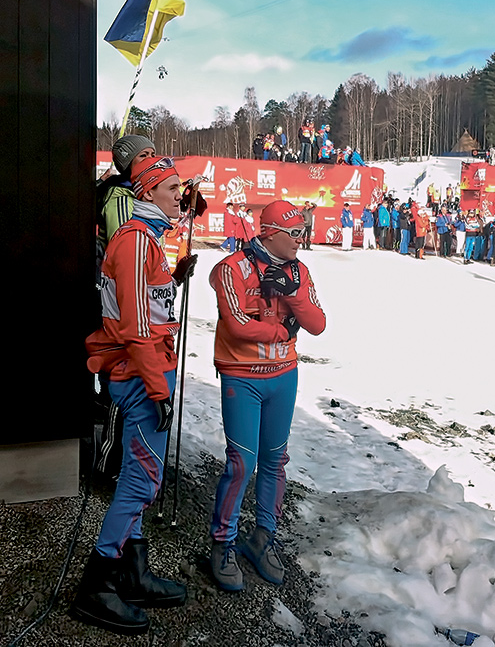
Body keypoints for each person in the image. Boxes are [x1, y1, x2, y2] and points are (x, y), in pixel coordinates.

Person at [73, 157, 195, 634]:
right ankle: (98, 579)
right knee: (144, 478)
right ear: (147, 192)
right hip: (140, 376)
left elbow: (146, 300)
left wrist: (175, 275)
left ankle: (132, 568)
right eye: (171, 188)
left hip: (145, 372)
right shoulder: (134, 242)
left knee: (138, 473)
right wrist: (159, 389)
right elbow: (135, 326)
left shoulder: (148, 239)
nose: (179, 195)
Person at [208, 200, 326, 592]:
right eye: (293, 234)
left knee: (275, 460)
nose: (300, 240)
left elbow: (318, 324)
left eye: (301, 232)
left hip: (283, 377)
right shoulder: (231, 268)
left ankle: (263, 537)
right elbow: (237, 324)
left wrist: (293, 297)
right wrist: (279, 331)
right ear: (270, 234)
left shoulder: (299, 270)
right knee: (242, 463)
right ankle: (222, 544)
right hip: (241, 377)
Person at [97, 135, 156, 253]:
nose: (151, 160)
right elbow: (126, 253)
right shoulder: (121, 199)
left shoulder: (140, 193)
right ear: (128, 163)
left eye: (153, 155)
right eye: (143, 155)